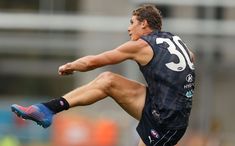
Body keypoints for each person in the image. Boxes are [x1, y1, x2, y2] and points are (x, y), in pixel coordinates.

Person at [11, 4, 195, 146]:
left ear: (144, 23)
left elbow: (94, 61)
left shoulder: (140, 46)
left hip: (167, 122)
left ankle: (46, 110)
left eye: (132, 22)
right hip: (161, 107)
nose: (129, 28)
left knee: (106, 77)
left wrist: (71, 65)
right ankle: (47, 109)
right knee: (108, 80)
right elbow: (191, 57)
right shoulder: (174, 40)